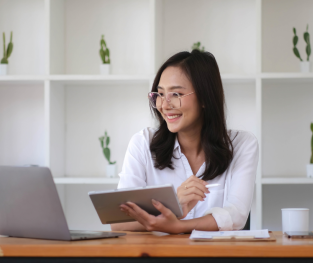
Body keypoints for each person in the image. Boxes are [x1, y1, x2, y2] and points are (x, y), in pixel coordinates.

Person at [110, 50, 259, 234]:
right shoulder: (142, 143)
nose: (164, 105)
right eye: (160, 94)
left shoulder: (242, 145)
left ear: (205, 97)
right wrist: (172, 204)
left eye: (176, 94)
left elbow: (236, 216)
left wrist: (178, 225)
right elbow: (118, 222)